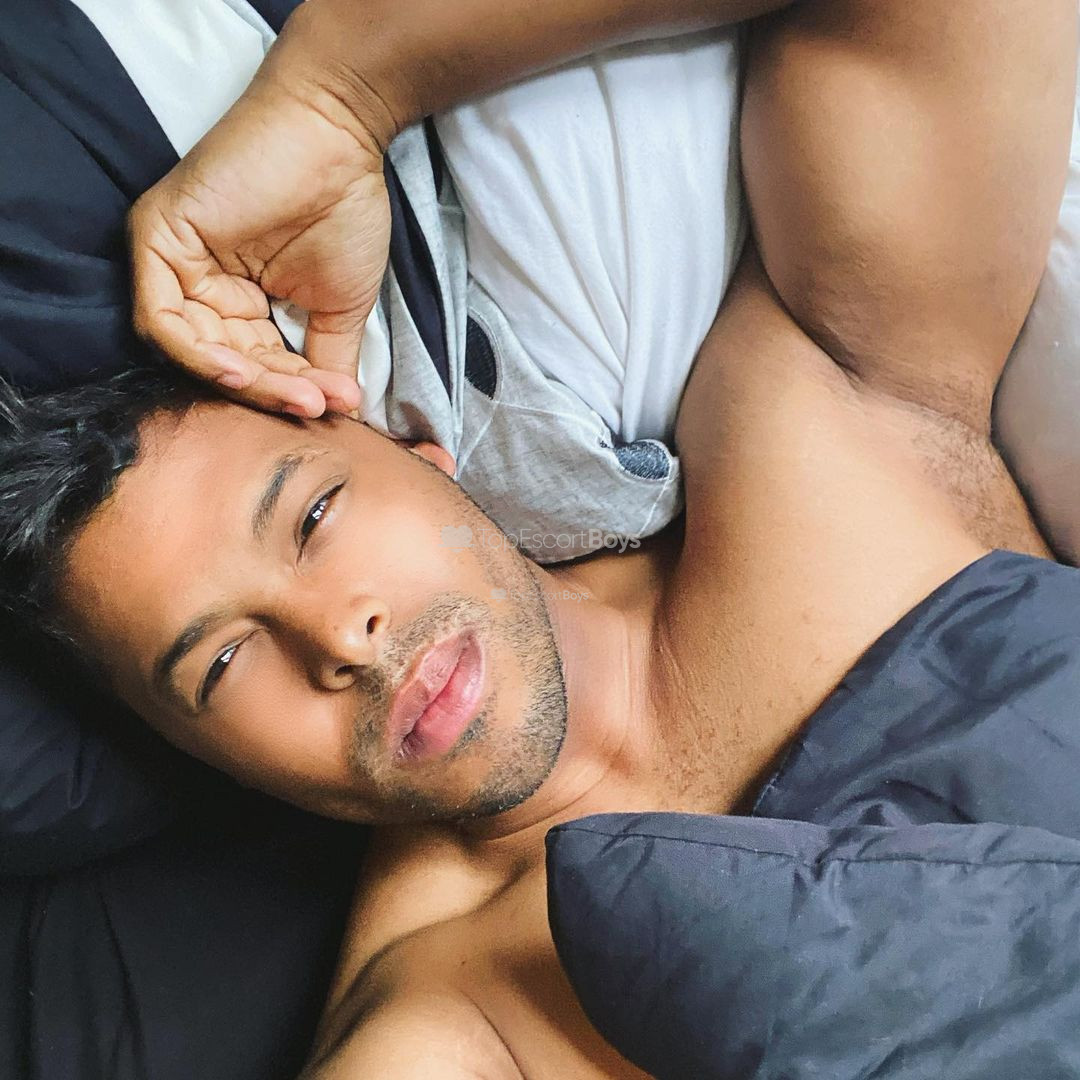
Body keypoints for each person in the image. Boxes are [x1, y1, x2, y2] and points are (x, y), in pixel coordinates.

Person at [0, 0, 1075, 1075]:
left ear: (418, 454)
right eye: (224, 664)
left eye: (314, 518)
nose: (339, 637)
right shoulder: (459, 1015)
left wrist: (342, 94)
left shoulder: (819, 426)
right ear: (215, 763)